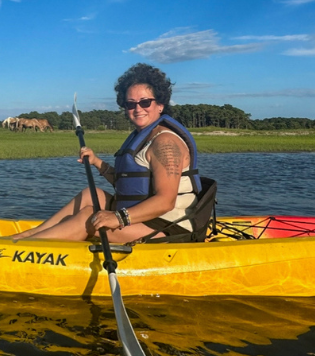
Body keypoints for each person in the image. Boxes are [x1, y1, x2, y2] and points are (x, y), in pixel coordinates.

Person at [13, 63, 202, 244]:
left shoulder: (165, 143)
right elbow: (130, 184)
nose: (138, 109)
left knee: (90, 217)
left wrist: (118, 218)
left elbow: (165, 202)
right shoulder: (143, 136)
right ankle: (30, 235)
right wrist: (97, 162)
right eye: (130, 104)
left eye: (145, 102)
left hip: (168, 226)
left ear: (160, 104)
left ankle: (25, 249)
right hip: (141, 215)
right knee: (91, 194)